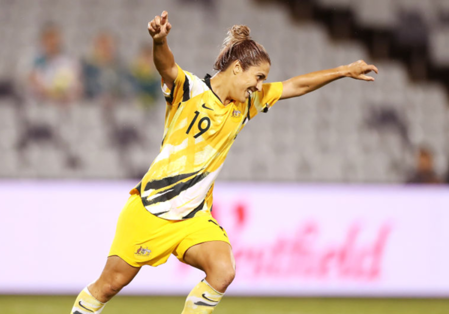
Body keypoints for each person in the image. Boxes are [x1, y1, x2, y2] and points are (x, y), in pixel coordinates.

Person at [70, 11, 378, 314]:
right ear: (236, 69)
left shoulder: (247, 104)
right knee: (110, 284)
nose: (260, 86)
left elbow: (295, 86)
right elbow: (166, 66)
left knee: (223, 270)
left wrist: (343, 71)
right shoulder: (189, 91)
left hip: (192, 217)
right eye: (258, 77)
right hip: (151, 210)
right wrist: (160, 42)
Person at [28, 23, 82, 104]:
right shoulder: (36, 61)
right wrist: (49, 92)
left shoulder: (69, 61)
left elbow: (74, 85)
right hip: (41, 105)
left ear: (59, 39)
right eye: (48, 38)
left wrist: (60, 93)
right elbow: (34, 83)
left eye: (53, 37)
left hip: (63, 105)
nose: (51, 41)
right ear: (43, 40)